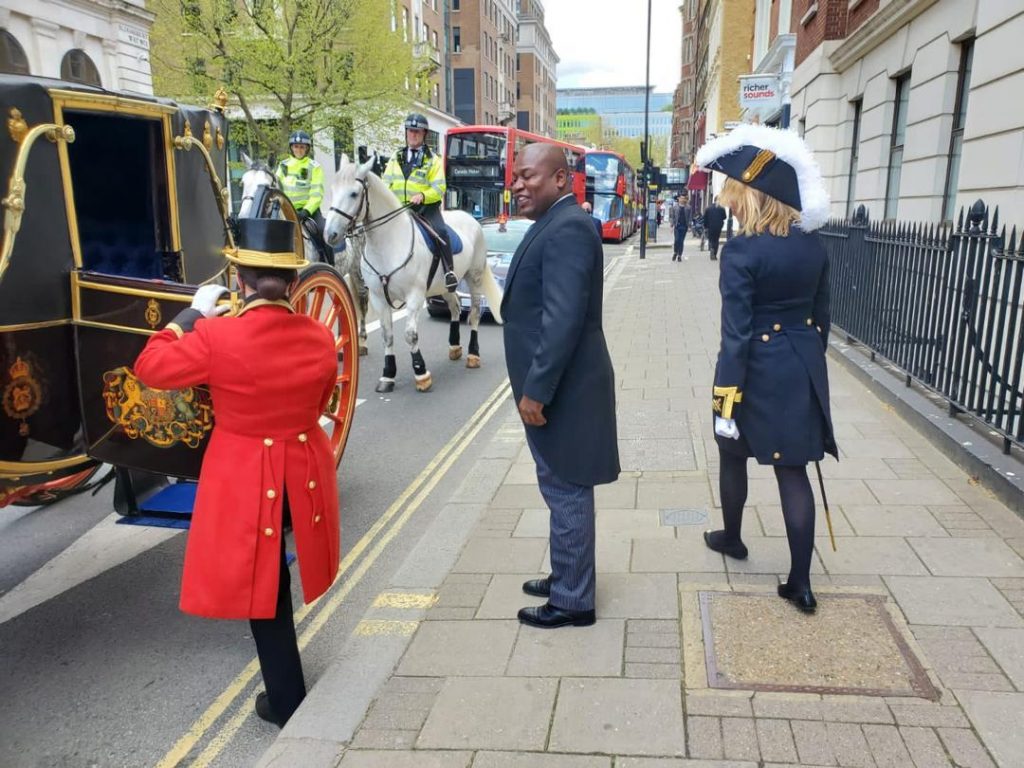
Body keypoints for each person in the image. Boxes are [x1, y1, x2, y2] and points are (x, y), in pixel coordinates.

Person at [133, 218, 340, 726]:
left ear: (240, 282)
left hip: (247, 476)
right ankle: (285, 684)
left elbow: (150, 367)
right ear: (292, 283)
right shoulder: (318, 336)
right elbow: (321, 399)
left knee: (264, 586)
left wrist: (190, 315)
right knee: (273, 578)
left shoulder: (218, 335)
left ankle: (286, 697)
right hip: (304, 471)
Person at [694, 123, 835, 613]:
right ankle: (800, 582)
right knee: (793, 471)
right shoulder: (813, 246)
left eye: (734, 195)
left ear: (752, 197)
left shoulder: (741, 252)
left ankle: (732, 539)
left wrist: (725, 399)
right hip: (800, 368)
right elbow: (823, 320)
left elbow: (735, 334)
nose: (729, 204)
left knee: (732, 454)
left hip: (751, 370)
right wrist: (807, 364)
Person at [502, 143, 620, 629]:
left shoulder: (568, 228)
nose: (518, 185)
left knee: (567, 486)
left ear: (559, 179)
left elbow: (563, 321)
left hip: (563, 390)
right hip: (559, 387)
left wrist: (537, 390)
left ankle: (573, 601)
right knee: (558, 485)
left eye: (528, 176)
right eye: (515, 177)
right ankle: (566, 574)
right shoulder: (558, 223)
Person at [382, 113, 457, 292]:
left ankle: (449, 272)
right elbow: (386, 182)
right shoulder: (395, 156)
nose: (413, 135)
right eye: (410, 131)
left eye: (417, 132)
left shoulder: (433, 159)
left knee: (441, 232)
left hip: (425, 209)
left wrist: (423, 196)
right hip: (400, 209)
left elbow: (439, 189)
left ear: (424, 134)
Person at [277, 131, 325, 232]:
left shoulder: (314, 167)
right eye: (296, 146)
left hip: (308, 212)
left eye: (302, 147)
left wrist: (306, 211)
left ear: (307, 148)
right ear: (291, 148)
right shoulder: (283, 165)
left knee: (323, 231)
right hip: (286, 210)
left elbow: (317, 194)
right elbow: (276, 189)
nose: (299, 150)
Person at [704, 195, 727, 261]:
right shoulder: (722, 208)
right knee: (716, 240)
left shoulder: (708, 208)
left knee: (711, 239)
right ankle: (714, 254)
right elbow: (724, 217)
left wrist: (705, 226)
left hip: (710, 226)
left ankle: (711, 248)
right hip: (718, 226)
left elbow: (705, 218)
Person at [672, 193, 691, 261]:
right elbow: (673, 217)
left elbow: (689, 218)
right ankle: (675, 252)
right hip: (677, 226)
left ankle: (679, 255)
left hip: (684, 226)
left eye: (684, 198)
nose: (682, 199)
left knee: (681, 241)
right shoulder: (675, 207)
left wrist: (689, 226)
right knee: (676, 240)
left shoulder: (688, 207)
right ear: (679, 199)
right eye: (681, 198)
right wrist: (672, 225)